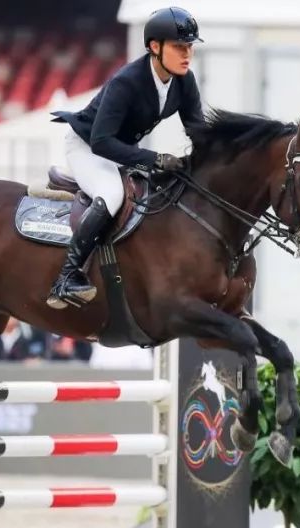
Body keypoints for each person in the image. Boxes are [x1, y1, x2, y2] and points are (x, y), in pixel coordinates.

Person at [46, 6, 205, 309]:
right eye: (179, 47)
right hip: (88, 147)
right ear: (154, 47)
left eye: (190, 47)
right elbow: (101, 141)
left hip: (121, 151)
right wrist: (155, 158)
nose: (187, 54)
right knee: (112, 194)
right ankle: (67, 276)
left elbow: (199, 132)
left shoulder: (184, 81)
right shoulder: (127, 82)